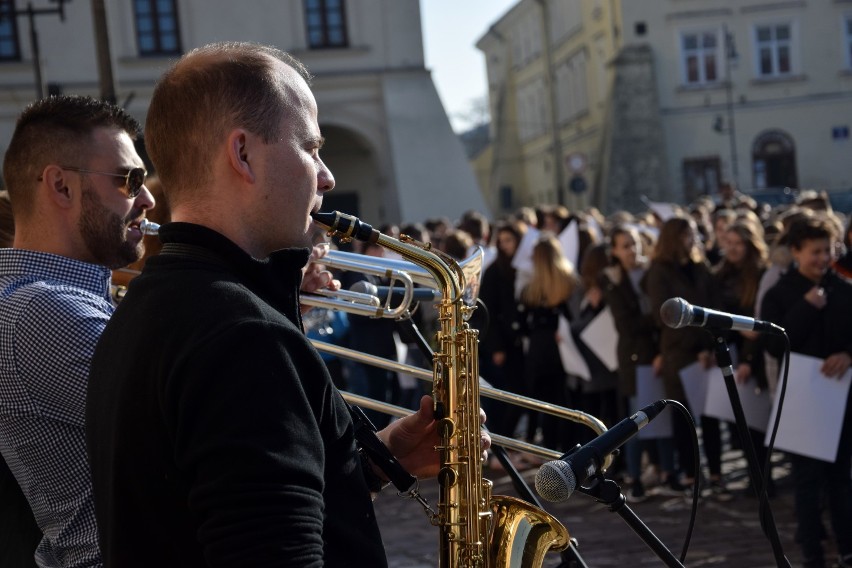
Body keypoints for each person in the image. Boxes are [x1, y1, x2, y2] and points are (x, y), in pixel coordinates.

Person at [84, 42, 483, 567]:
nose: (327, 176)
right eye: (310, 147)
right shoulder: (242, 337)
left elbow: (212, 507)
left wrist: (376, 460)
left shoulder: (150, 304)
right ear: (243, 154)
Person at [0, 95, 156, 566]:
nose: (147, 198)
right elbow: (204, 427)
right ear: (61, 187)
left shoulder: (52, 299)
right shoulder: (42, 308)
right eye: (129, 180)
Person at [761, 215, 852, 568]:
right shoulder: (780, 293)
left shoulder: (844, 289)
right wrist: (806, 308)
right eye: (814, 252)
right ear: (796, 252)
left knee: (842, 480)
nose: (822, 259)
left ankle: (847, 547)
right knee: (807, 483)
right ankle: (812, 553)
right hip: (801, 402)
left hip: (840, 399)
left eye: (827, 251)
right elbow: (773, 347)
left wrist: (847, 354)